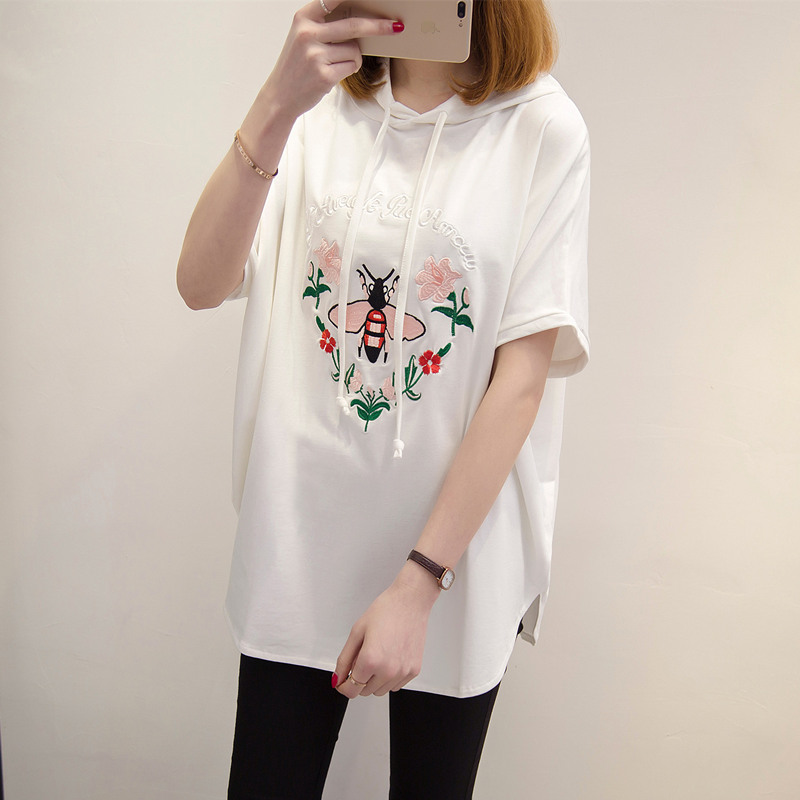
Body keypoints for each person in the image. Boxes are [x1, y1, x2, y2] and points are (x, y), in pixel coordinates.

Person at [177, 0, 590, 797]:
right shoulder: (318, 108)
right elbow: (200, 283)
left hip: (453, 560)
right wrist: (276, 102)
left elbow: (520, 381)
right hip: (300, 539)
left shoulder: (543, 128)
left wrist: (419, 581)